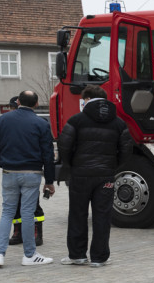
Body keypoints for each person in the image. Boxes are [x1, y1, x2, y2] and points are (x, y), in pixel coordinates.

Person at [57, 85, 133, 266]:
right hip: (105, 176)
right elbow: (127, 150)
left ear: (86, 99)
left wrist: (69, 165)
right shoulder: (119, 122)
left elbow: (64, 145)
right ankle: (99, 258)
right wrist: (113, 167)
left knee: (77, 214)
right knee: (102, 216)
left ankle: (77, 255)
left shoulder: (76, 120)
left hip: (80, 175)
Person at [0, 90, 56, 267]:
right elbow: (48, 154)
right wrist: (49, 181)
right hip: (32, 173)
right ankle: (29, 255)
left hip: (9, 172)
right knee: (27, 214)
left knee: (7, 212)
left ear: (18, 101)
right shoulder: (41, 123)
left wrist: (3, 163)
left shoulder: (3, 120)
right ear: (36, 103)